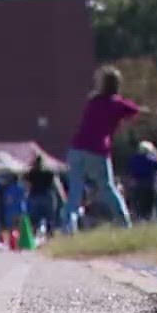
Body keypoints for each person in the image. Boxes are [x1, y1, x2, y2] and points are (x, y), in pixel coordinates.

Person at [63, 66, 139, 232]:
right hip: (97, 150)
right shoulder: (117, 104)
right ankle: (124, 223)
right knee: (107, 187)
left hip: (77, 148)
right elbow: (134, 110)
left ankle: (68, 226)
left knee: (75, 190)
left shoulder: (93, 101)